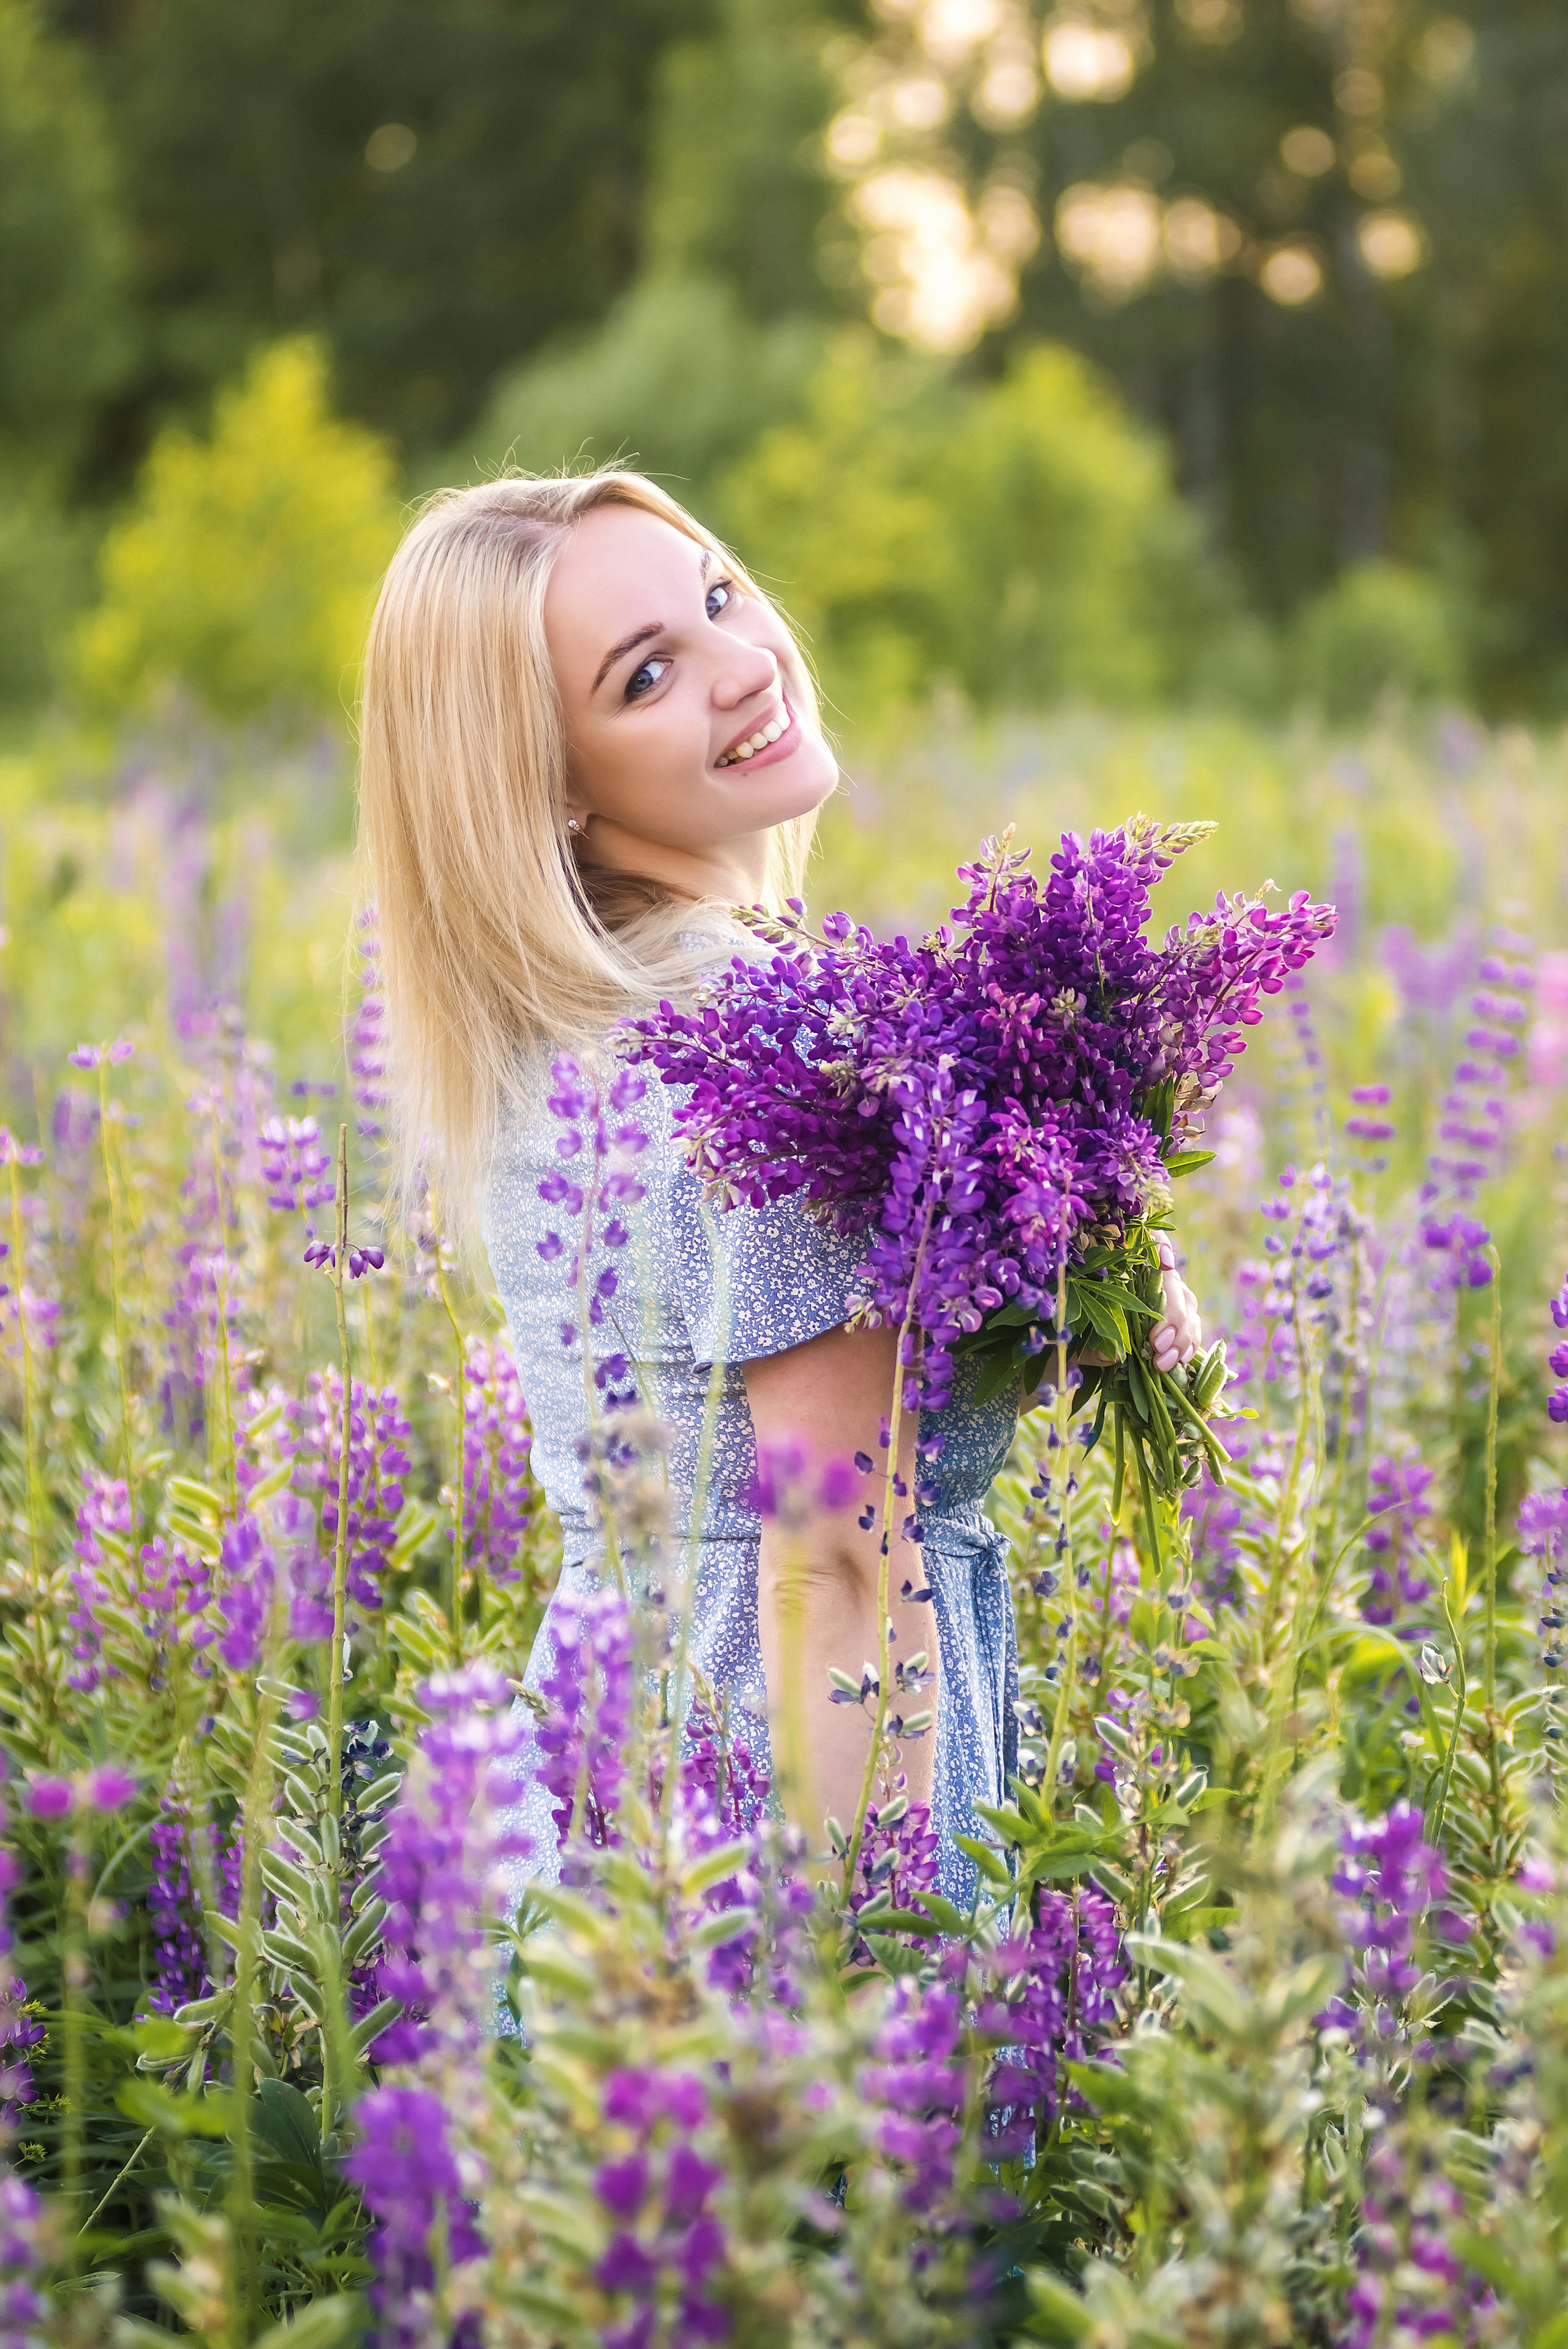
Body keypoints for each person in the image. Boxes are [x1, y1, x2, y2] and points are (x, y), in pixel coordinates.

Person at [357, 470, 1202, 1904]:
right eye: (646, 675)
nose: (744, 663)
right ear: (551, 784)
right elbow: (836, 1561)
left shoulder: (561, 1028)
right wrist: (866, 1984)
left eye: (714, 596)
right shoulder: (775, 1042)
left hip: (604, 1771)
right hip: (785, 1791)